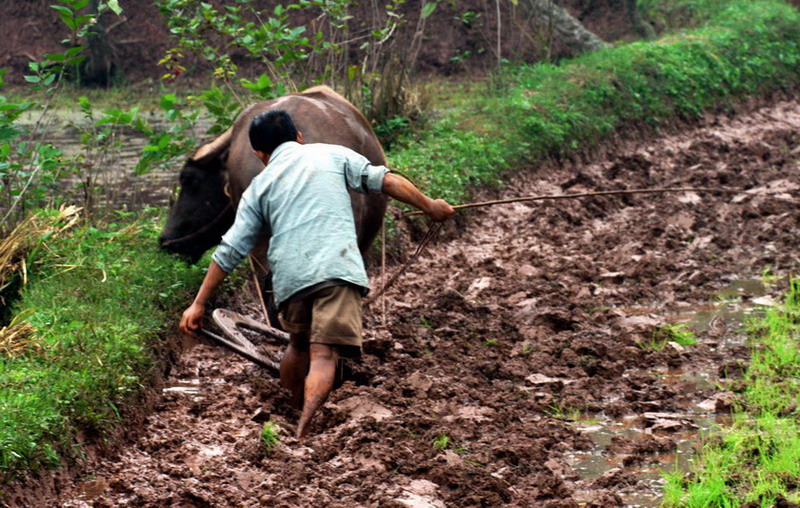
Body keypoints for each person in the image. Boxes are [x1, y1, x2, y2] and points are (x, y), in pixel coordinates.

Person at [179, 110, 455, 438]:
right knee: (324, 354)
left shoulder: (258, 187)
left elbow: (230, 251)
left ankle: (293, 407)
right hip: (336, 270)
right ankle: (304, 428)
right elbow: (388, 180)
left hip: (289, 280)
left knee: (297, 345)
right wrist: (430, 206)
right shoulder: (333, 154)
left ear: (259, 154)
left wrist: (198, 304)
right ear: (298, 136)